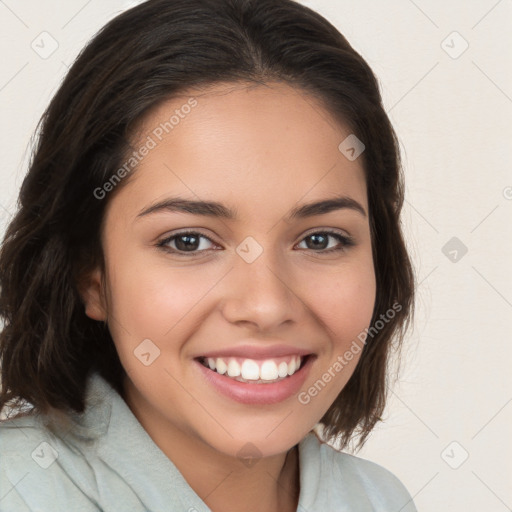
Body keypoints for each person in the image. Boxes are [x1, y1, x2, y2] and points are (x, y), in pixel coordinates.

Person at [0, 0, 417, 510]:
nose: (265, 306)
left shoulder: (377, 499)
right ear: (92, 276)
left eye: (320, 239)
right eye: (188, 241)